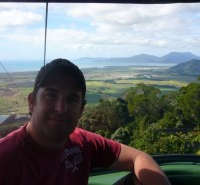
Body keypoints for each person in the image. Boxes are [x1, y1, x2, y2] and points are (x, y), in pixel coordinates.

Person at [0, 58, 171, 185]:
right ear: (32, 102)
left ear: (81, 109)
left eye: (72, 99)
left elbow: (138, 157)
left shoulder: (82, 143)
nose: (61, 107)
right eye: (51, 95)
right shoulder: (6, 157)